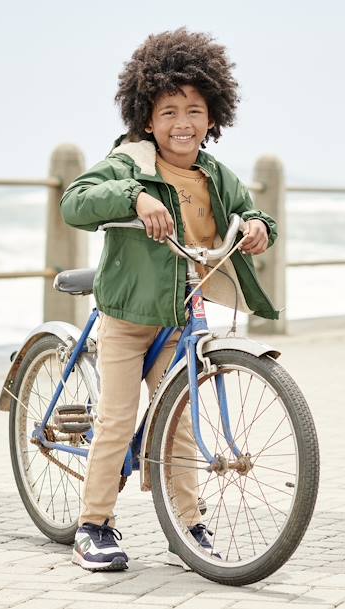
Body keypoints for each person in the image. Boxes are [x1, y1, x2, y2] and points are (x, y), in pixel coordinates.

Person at [60, 27, 279, 572]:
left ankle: (188, 523)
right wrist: (134, 197)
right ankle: (93, 525)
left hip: (183, 313)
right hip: (128, 314)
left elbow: (255, 213)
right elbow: (75, 201)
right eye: (168, 111)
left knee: (180, 421)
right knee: (117, 418)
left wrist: (256, 226)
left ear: (214, 117)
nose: (183, 123)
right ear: (147, 119)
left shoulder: (216, 173)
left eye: (195, 110)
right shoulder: (131, 163)